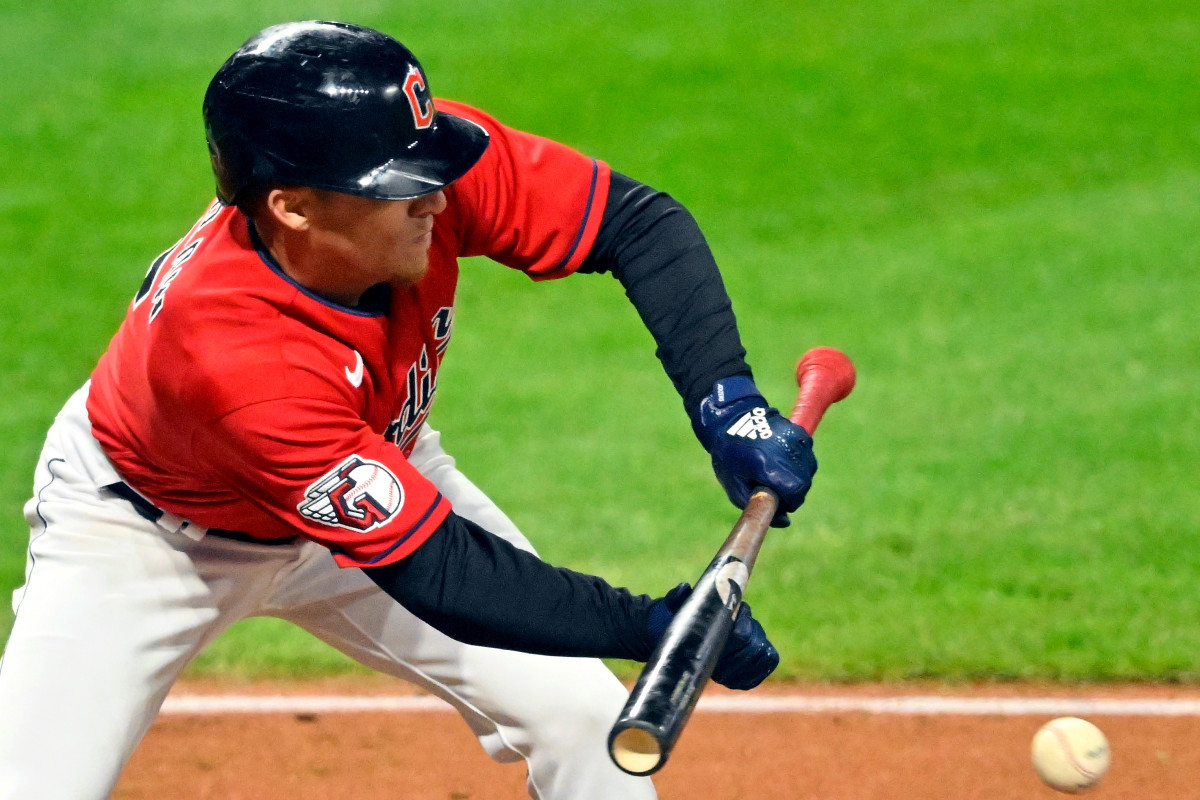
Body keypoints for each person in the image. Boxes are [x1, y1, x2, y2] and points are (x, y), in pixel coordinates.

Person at [0, 20, 818, 800]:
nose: (434, 197)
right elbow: (443, 574)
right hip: (147, 538)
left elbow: (637, 225)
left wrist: (728, 404)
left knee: (584, 720)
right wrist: (650, 626)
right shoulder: (234, 357)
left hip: (370, 462)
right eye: (401, 186)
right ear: (293, 206)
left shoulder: (414, 169)